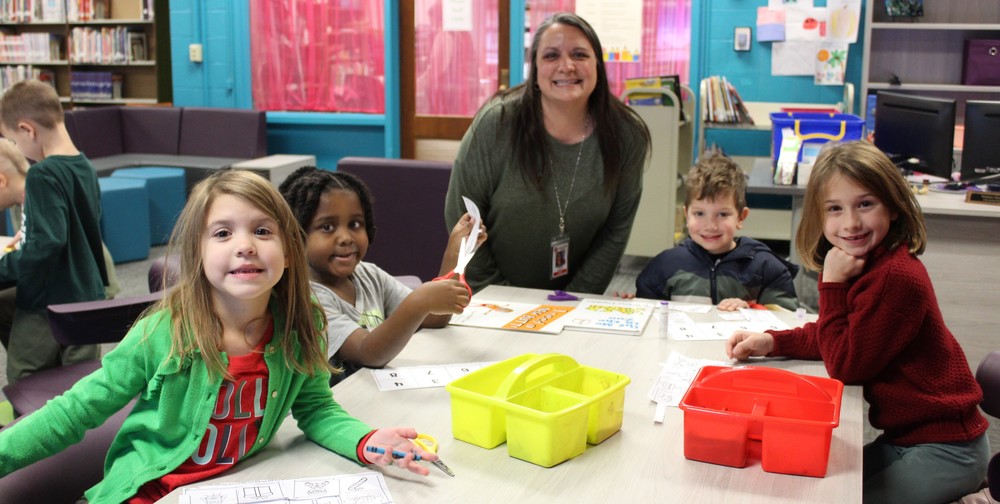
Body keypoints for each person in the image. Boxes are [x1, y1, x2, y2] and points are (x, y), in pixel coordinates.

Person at [0, 170, 440, 502]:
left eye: (262, 231)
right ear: (198, 252)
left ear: (289, 251)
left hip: (237, 485)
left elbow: (316, 409)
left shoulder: (301, 321)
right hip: (148, 491)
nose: (245, 245)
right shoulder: (163, 332)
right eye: (223, 233)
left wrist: (366, 440)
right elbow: (73, 412)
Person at [725, 141, 989, 504]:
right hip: (908, 438)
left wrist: (832, 285)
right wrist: (773, 342)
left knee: (834, 498)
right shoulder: (870, 262)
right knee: (819, 482)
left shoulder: (895, 277)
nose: (850, 223)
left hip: (947, 450)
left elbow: (846, 364)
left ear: (893, 206)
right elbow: (840, 334)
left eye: (865, 204)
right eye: (835, 208)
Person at [444, 12, 651, 295]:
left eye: (579, 55)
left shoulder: (627, 134)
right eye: (551, 56)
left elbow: (616, 230)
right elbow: (462, 216)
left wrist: (572, 299)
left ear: (598, 66)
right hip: (487, 297)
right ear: (535, 70)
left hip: (574, 300)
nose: (567, 66)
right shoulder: (497, 123)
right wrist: (499, 296)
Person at [280, 166, 485, 383]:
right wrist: (419, 301)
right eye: (327, 227)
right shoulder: (306, 299)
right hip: (346, 400)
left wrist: (456, 252)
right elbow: (368, 353)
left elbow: (434, 317)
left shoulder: (369, 275)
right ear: (296, 235)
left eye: (355, 224)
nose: (346, 237)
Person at [0, 79, 110, 383]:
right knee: (81, 382)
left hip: (48, 300)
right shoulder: (84, 166)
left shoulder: (41, 174)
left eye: (13, 141)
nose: (18, 149)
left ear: (27, 130)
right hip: (87, 296)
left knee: (25, 379)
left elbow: (45, 244)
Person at [634, 154, 798, 311]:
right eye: (699, 214)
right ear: (686, 215)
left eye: (722, 214)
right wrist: (632, 304)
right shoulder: (666, 264)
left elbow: (787, 317)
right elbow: (646, 311)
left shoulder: (765, 267)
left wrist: (751, 309)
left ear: (741, 217)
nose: (711, 226)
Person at [0, 139, 121, 350]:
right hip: (57, 279)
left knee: (72, 348)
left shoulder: (43, 188)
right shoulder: (21, 202)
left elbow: (46, 248)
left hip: (79, 284)